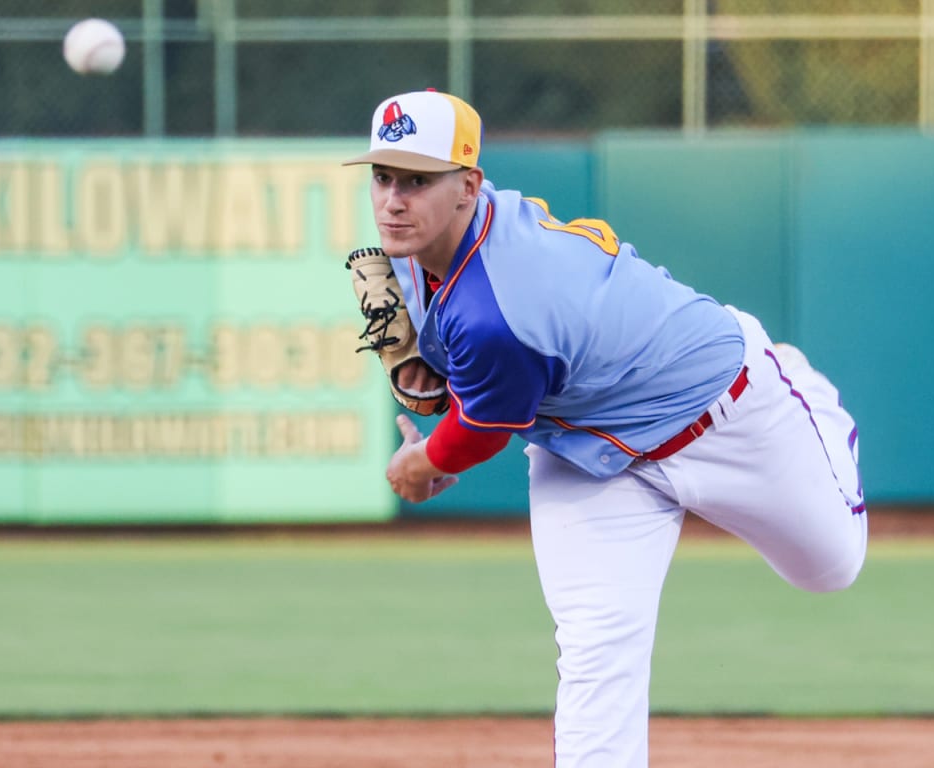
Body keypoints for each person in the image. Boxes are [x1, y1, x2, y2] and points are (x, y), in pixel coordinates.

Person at [344, 89, 868, 768]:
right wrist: (434, 373)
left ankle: (807, 402)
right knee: (597, 648)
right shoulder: (410, 259)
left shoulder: (500, 303)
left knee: (830, 568)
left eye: (417, 181)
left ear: (469, 187)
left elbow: (477, 431)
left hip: (724, 411)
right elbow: (467, 377)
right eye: (383, 177)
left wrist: (420, 465)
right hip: (585, 452)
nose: (392, 200)